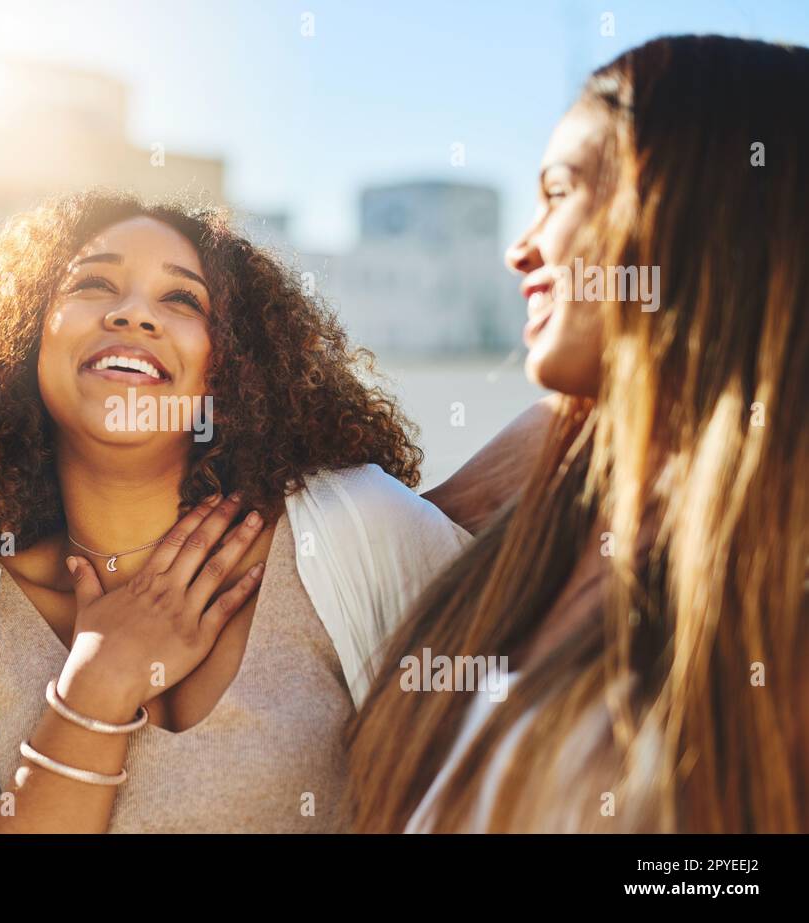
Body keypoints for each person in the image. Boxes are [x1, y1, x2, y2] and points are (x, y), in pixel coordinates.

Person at [0, 190, 551, 833]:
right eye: (92, 284)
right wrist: (96, 688)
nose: (134, 313)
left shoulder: (357, 528)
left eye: (182, 299)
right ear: (21, 340)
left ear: (232, 365)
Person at [345, 35, 809, 833]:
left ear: (687, 210)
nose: (519, 248)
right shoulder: (538, 515)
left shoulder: (775, 589)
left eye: (559, 193)